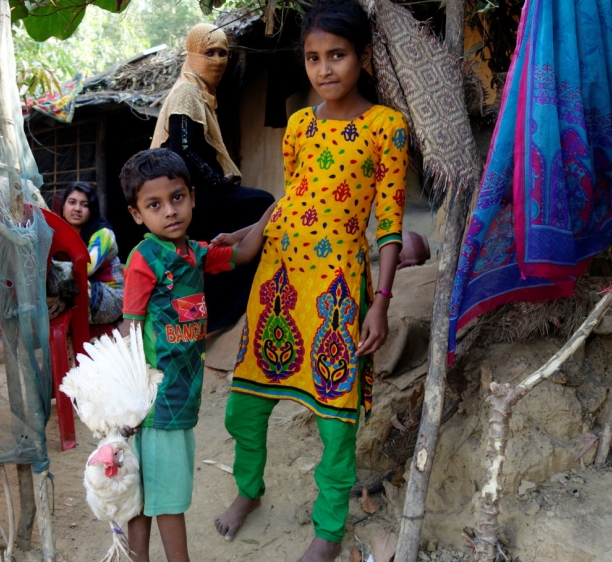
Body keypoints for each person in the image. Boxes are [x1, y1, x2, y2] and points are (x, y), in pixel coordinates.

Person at [213, 3, 409, 561]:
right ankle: (248, 490)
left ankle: (327, 530)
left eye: (337, 56)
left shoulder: (385, 127)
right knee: (244, 406)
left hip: (338, 288)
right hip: (278, 280)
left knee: (336, 421)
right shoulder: (299, 124)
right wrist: (251, 234)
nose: (324, 69)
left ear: (364, 58)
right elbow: (291, 200)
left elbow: (391, 224)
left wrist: (383, 301)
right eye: (313, 58)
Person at [118, 148, 273, 562]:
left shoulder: (195, 254)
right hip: (155, 403)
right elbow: (131, 327)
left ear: (191, 197)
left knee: (149, 490)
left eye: (177, 198)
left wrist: (272, 214)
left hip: (181, 398)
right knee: (162, 497)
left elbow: (243, 254)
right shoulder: (145, 259)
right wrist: (126, 403)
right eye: (154, 205)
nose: (169, 211)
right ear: (137, 215)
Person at [151, 23, 275, 334]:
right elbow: (183, 150)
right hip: (191, 194)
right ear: (192, 54)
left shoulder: (199, 94)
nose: (217, 60)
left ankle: (220, 311)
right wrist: (219, 182)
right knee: (262, 205)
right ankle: (232, 306)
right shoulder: (186, 95)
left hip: (196, 191)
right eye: (209, 53)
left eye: (222, 53)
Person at [58, 182, 124, 325]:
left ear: (92, 210)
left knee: (74, 284)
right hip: (82, 290)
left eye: (84, 205)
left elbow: (86, 268)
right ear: (63, 208)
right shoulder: (59, 234)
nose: (77, 208)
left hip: (112, 297)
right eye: (72, 202)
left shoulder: (103, 234)